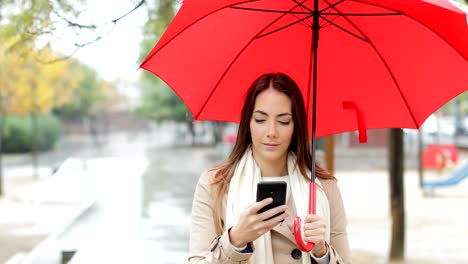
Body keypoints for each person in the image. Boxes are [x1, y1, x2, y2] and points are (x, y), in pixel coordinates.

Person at [189, 73, 351, 263]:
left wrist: (321, 253)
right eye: (260, 120)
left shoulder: (324, 187)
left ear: (296, 126)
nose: (271, 132)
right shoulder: (215, 184)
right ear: (248, 123)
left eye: (283, 121)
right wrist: (236, 240)